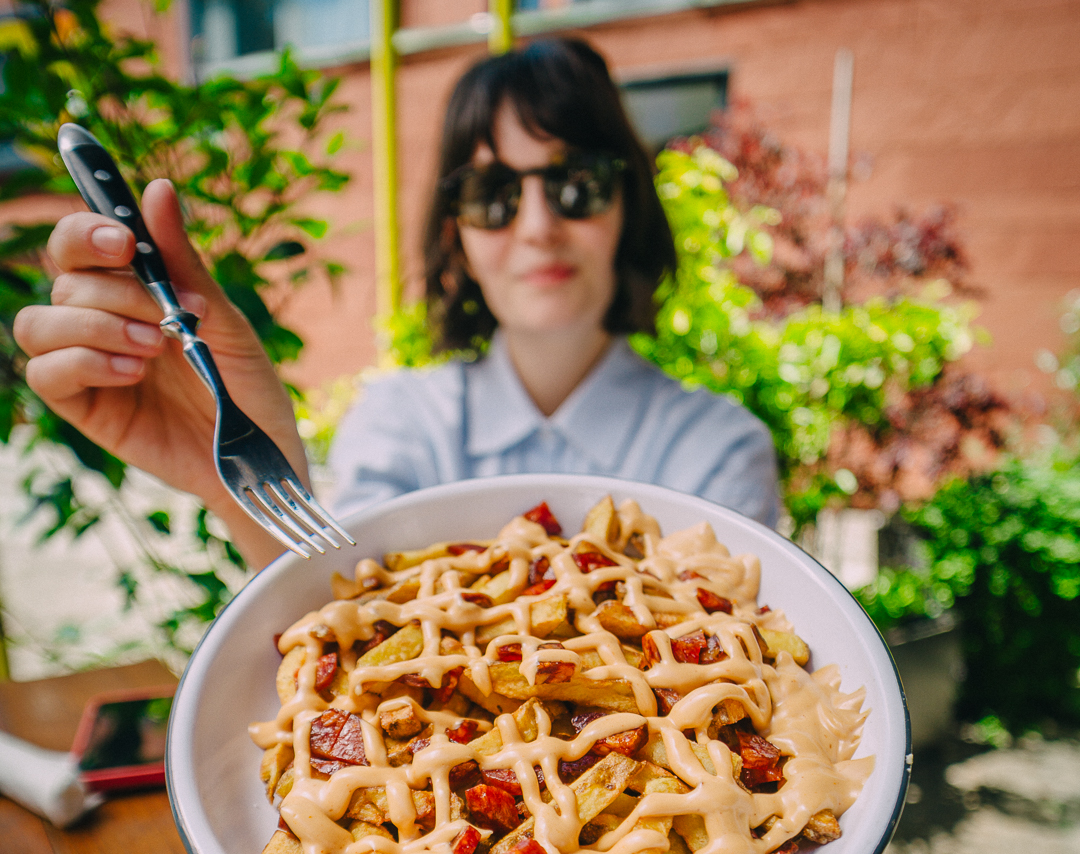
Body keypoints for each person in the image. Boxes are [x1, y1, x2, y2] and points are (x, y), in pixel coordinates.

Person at [15, 38, 778, 571]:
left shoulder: (717, 450)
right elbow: (357, 640)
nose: (540, 228)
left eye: (577, 185)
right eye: (494, 194)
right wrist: (239, 486)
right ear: (456, 231)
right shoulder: (397, 422)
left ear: (628, 206)